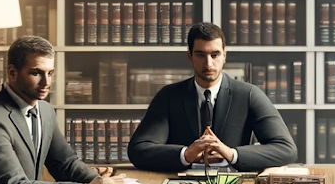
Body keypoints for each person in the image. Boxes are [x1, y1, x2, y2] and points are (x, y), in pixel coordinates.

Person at [0, 35, 131, 184]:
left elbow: (66, 164)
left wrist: (101, 183)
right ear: (12, 73)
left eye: (50, 73)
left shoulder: (45, 110)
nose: (46, 82)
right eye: (36, 73)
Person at [125, 22, 298, 171]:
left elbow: (286, 149)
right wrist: (186, 154)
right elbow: (138, 150)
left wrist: (231, 153)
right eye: (201, 55)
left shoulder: (249, 95)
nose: (208, 64)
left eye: (214, 55)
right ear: (190, 56)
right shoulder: (169, 96)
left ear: (224, 55)